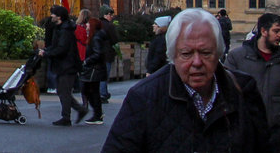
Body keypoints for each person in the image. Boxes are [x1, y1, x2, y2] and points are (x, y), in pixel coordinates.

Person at [102, 8, 268, 152]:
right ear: (173, 55)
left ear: (218, 53)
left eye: (205, 53)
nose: (197, 63)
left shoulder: (243, 90)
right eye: (186, 54)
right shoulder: (144, 97)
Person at [223, 12, 280, 153]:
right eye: (276, 31)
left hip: (278, 131)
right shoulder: (237, 58)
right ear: (263, 31)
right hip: (246, 130)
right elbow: (224, 93)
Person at [40, 4, 84, 125]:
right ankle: (77, 111)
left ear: (59, 16)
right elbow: (56, 46)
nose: (51, 16)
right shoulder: (60, 28)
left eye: (53, 14)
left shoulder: (65, 30)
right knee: (62, 90)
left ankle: (67, 117)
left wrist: (47, 53)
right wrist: (47, 51)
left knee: (64, 91)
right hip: (64, 64)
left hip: (67, 64)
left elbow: (62, 48)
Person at [77, 9, 106, 124]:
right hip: (94, 68)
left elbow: (98, 53)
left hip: (94, 68)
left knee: (91, 91)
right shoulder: (95, 37)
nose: (86, 25)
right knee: (91, 90)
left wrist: (86, 61)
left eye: (88, 23)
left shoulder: (96, 38)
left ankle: (97, 114)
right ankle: (97, 113)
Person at [99, 4, 120, 103]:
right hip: (106, 54)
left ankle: (102, 93)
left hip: (97, 54)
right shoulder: (109, 26)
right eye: (110, 14)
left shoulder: (96, 25)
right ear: (105, 15)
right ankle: (102, 94)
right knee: (104, 74)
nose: (111, 17)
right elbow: (114, 39)